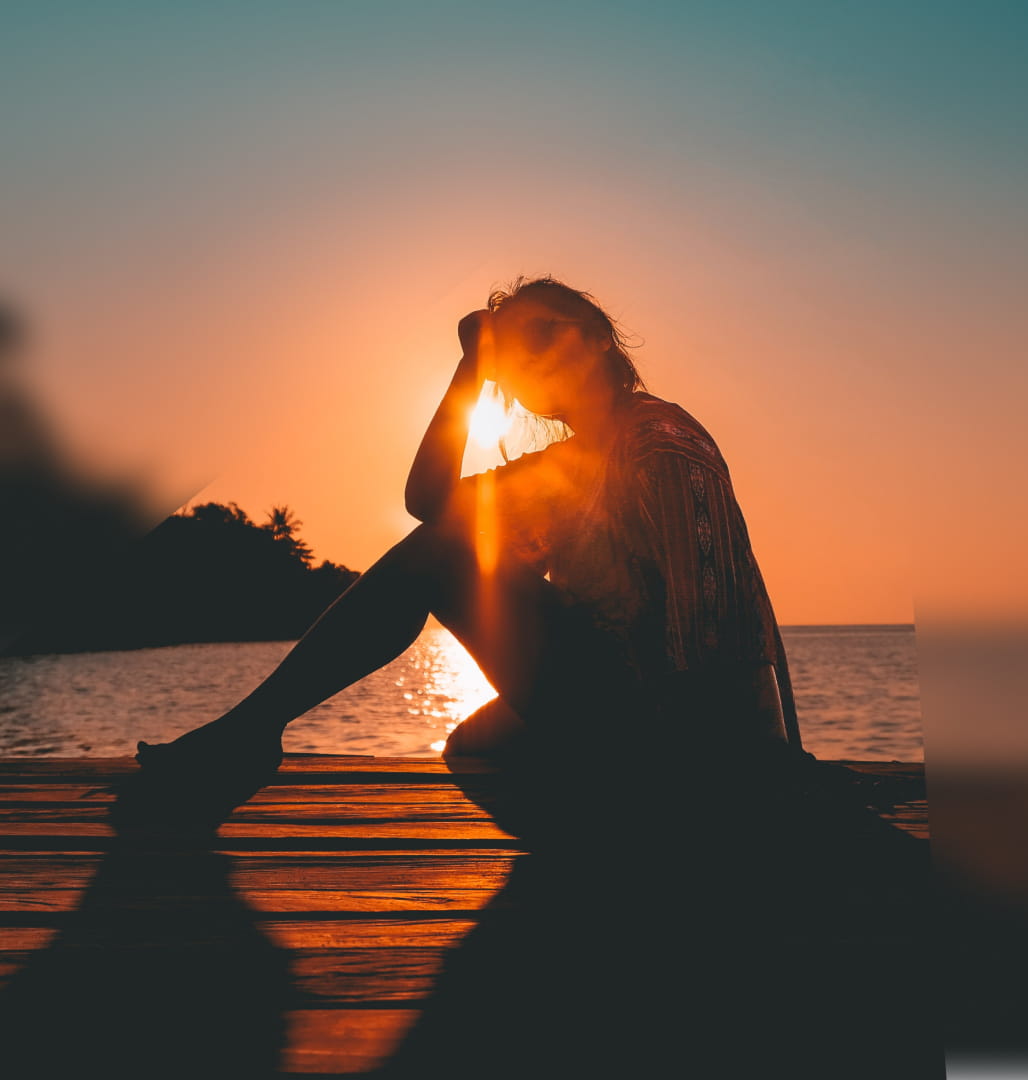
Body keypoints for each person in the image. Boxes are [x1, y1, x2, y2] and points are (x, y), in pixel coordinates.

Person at [133, 276, 808, 828]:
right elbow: (429, 500)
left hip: (686, 736)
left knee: (446, 560)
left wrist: (735, 781)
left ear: (599, 339)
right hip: (622, 707)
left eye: (547, 332)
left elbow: (715, 642)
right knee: (466, 742)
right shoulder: (571, 466)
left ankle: (245, 736)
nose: (531, 356)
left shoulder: (660, 440)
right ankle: (248, 735)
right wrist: (468, 371)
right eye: (514, 352)